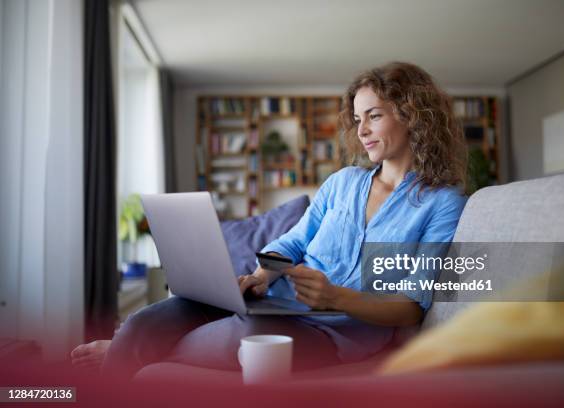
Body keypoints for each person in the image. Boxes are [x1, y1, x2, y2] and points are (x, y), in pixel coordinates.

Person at [72, 61, 468, 378]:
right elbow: (292, 242)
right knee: (149, 319)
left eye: (374, 116)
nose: (361, 130)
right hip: (277, 304)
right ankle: (131, 348)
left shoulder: (442, 203)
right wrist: (263, 275)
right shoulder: (343, 183)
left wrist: (336, 297)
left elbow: (414, 306)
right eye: (357, 118)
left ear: (412, 115)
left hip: (338, 334)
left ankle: (123, 355)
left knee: (247, 337)